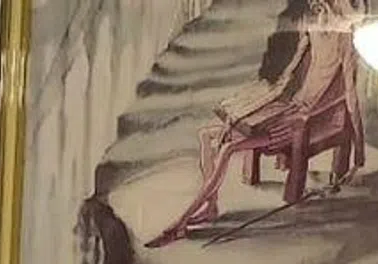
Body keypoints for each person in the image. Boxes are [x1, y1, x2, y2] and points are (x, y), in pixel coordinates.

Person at [149, 0, 363, 247]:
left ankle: (180, 223)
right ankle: (211, 206)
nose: (318, 13)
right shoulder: (312, 30)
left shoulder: (346, 43)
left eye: (324, 7)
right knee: (207, 135)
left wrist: (359, 152)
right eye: (316, 7)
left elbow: (351, 97)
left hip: (299, 121)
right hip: (287, 108)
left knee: (228, 148)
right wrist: (254, 105)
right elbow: (287, 76)